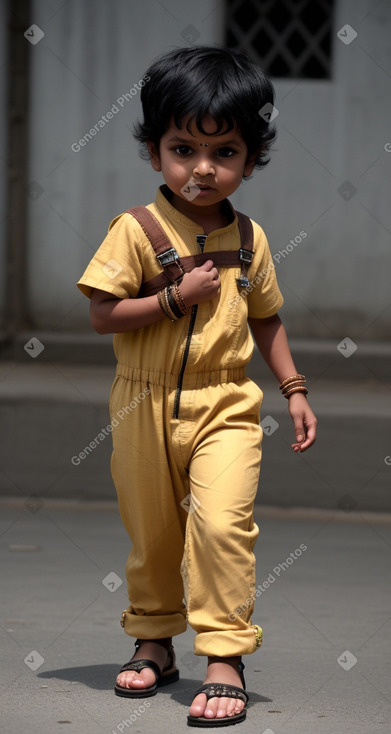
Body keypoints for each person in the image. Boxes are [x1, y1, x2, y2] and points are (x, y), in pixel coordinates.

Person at [77, 45, 317, 728]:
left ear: (250, 158)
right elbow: (100, 315)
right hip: (140, 401)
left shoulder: (249, 239)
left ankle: (223, 655)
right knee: (152, 534)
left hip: (225, 404)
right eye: (183, 148)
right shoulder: (135, 231)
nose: (202, 168)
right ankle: (154, 639)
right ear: (154, 152)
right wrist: (172, 299)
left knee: (220, 527)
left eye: (225, 151)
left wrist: (293, 388)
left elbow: (265, 314)